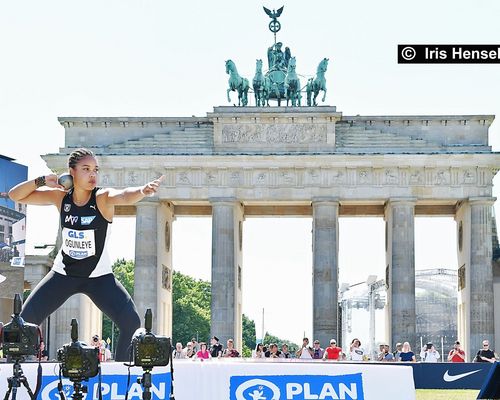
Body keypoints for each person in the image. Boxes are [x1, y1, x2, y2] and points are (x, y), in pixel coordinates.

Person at [8, 148, 164, 361]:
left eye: (95, 170)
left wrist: (142, 191)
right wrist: (43, 180)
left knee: (132, 323)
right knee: (23, 323)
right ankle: (15, 373)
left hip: (99, 279)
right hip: (62, 275)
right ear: (71, 172)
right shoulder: (60, 197)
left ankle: (121, 374)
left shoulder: (102, 198)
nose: (92, 175)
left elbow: (125, 195)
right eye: (86, 169)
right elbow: (14, 195)